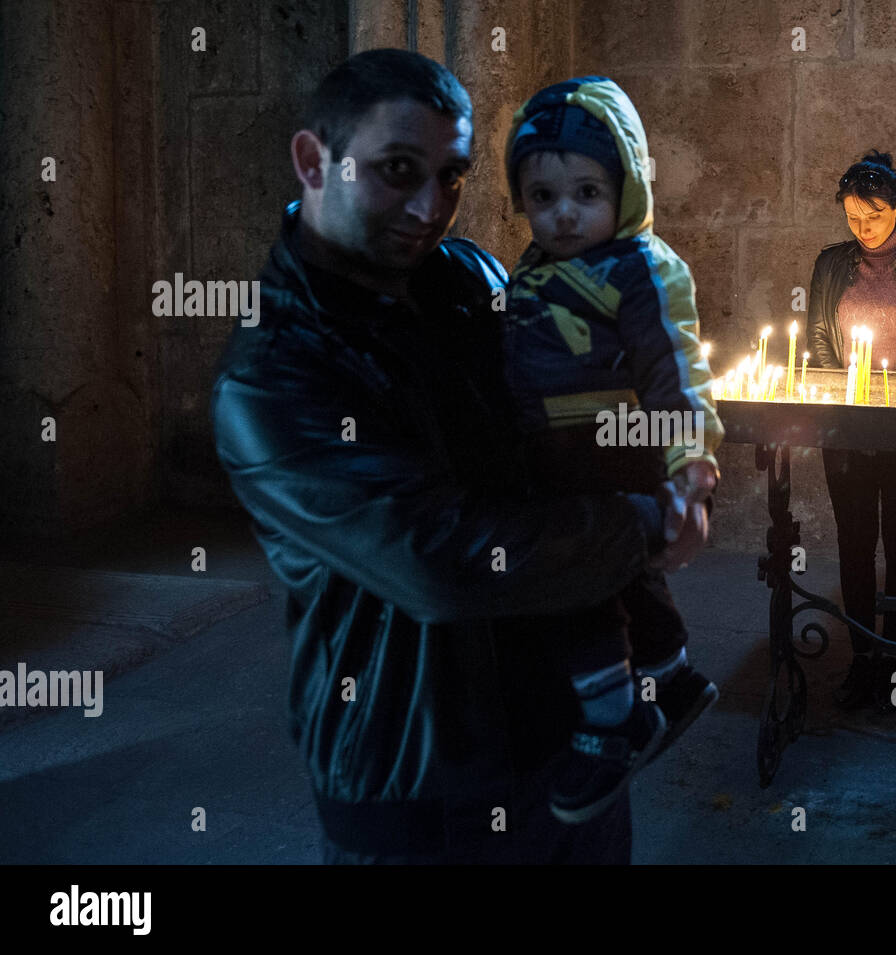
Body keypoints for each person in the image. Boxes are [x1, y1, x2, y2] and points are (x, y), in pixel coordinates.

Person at [209, 49, 707, 864]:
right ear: (312, 160)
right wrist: (641, 524)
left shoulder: (476, 277)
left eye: (452, 175)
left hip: (571, 743)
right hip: (420, 783)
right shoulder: (270, 374)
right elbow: (440, 562)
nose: (429, 204)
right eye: (399, 169)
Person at [500, 76, 724, 824]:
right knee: (625, 575)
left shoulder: (640, 268)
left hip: (605, 446)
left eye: (587, 192)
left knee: (576, 577)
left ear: (625, 190)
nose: (563, 213)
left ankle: (611, 718)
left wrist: (689, 462)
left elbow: (673, 365)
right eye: (542, 196)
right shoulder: (534, 269)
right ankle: (669, 673)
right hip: (550, 449)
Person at [806, 150, 896, 710]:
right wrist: (846, 406)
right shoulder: (830, 264)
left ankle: (895, 652)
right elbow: (819, 338)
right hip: (842, 424)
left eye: (873, 216)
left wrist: (881, 409)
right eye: (851, 218)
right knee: (855, 536)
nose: (862, 229)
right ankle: (863, 654)